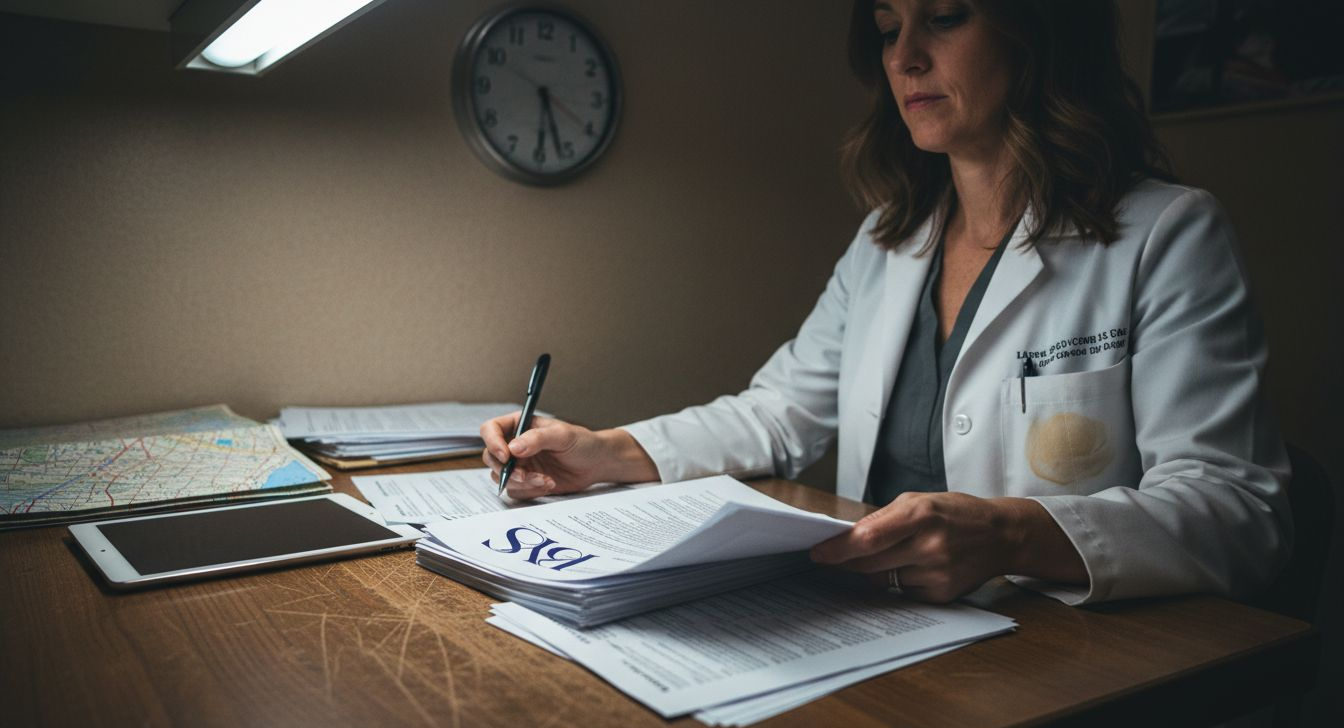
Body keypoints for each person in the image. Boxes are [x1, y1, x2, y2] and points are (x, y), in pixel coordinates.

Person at [480, 0, 1292, 606]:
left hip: (1064, 664)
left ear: (1035, 31)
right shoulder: (888, 238)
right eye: (887, 26)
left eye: (943, 17)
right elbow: (779, 413)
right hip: (884, 637)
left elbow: (1238, 511)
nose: (904, 57)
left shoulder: (1166, 234)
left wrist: (1014, 533)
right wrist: (603, 450)